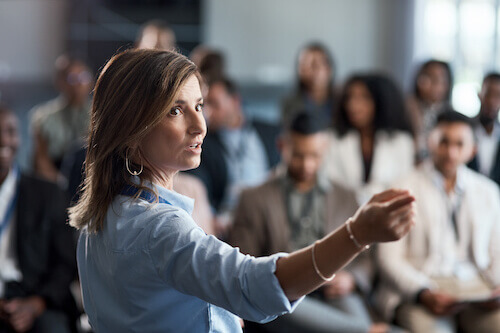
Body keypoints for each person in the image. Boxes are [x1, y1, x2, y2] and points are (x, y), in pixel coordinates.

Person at [69, 49, 415, 332]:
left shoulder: (103, 214)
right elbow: (258, 287)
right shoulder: (159, 227)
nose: (199, 125)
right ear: (131, 127)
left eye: (199, 106)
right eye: (175, 110)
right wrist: (357, 233)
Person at [229, 111, 389, 333]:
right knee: (357, 327)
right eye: (298, 155)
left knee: (352, 316)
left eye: (314, 156)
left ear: (325, 149)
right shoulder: (254, 198)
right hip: (282, 292)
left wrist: (351, 279)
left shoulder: (346, 196)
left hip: (333, 288)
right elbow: (242, 263)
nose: (307, 165)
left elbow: (365, 257)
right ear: (282, 146)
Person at [375, 111, 500, 333]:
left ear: (473, 149)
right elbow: (388, 258)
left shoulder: (488, 192)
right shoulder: (401, 188)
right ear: (429, 142)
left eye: (460, 144)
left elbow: (496, 251)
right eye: (444, 142)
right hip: (423, 289)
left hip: (476, 293)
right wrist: (422, 292)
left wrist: (495, 289)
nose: (451, 153)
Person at [0, 105, 77, 333]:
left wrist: (36, 305)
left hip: (37, 298)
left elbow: (66, 263)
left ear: (19, 139)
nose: (3, 139)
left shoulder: (48, 193)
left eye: (10, 131)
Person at [187, 77, 280, 216]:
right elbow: (200, 183)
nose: (207, 113)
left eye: (214, 104)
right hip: (230, 214)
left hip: (268, 206)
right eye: (204, 106)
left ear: (235, 101)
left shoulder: (270, 132)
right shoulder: (205, 143)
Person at [324, 74, 414, 204]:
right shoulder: (334, 139)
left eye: (364, 98)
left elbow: (403, 186)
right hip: (344, 215)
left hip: (387, 215)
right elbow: (330, 182)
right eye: (350, 97)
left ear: (379, 101)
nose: (353, 105)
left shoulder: (402, 143)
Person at [30, 55, 93, 184]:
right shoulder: (44, 116)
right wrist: (61, 185)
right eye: (72, 79)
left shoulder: (99, 114)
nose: (78, 84)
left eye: (83, 77)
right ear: (60, 82)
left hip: (91, 177)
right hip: (55, 179)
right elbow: (41, 159)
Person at [407, 60, 453, 161]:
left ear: (447, 84)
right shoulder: (406, 107)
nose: (427, 83)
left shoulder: (451, 116)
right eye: (425, 77)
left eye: (437, 79)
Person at [281, 42, 336, 126]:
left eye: (315, 65)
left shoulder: (342, 100)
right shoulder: (289, 103)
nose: (310, 71)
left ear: (329, 68)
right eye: (304, 65)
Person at [468, 72, 500, 186]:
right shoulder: (466, 129)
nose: (491, 101)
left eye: (497, 96)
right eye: (488, 94)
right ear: (479, 95)